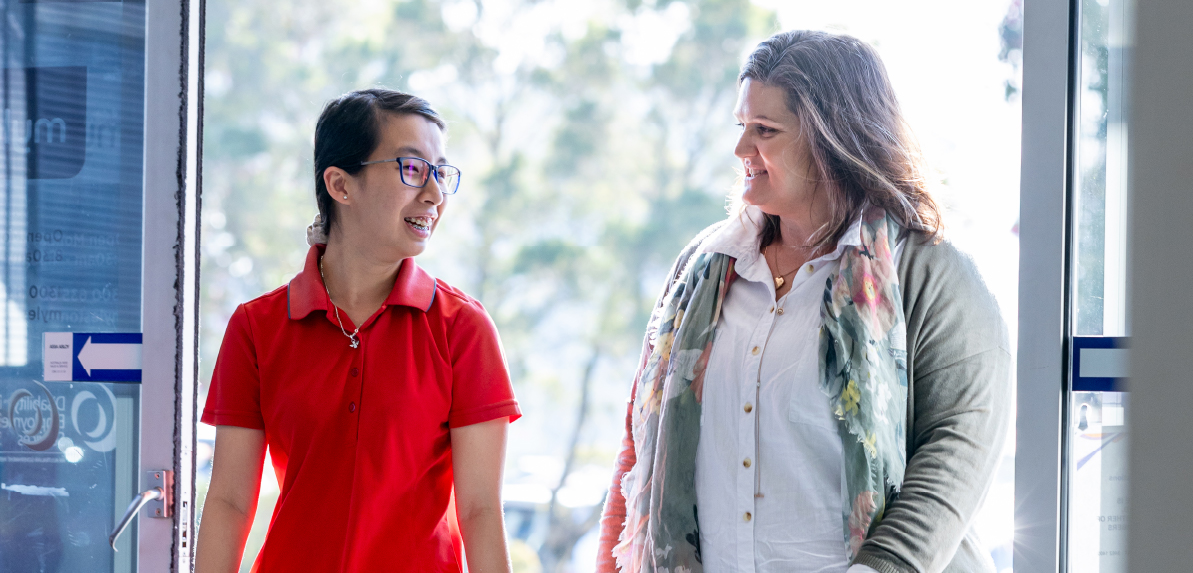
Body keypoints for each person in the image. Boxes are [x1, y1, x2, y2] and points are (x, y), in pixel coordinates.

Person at [597, 31, 1012, 573]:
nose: (742, 148)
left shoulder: (931, 274)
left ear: (831, 136)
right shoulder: (702, 269)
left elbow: (959, 451)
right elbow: (641, 447)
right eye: (741, 126)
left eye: (765, 131)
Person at [195, 89, 520, 573]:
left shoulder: (462, 329)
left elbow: (479, 512)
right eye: (412, 169)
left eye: (441, 173)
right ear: (340, 185)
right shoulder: (257, 327)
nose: (433, 194)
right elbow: (229, 502)